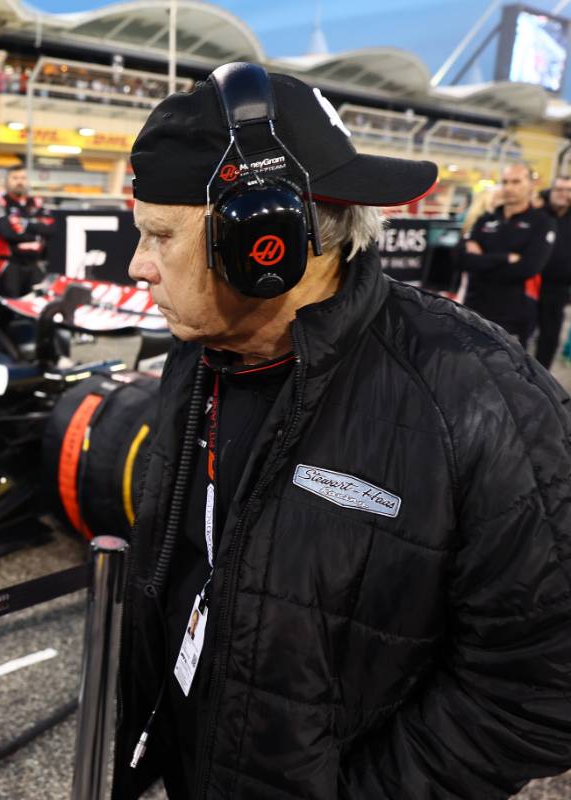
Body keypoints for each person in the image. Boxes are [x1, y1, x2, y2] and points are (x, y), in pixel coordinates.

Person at [114, 62, 571, 800]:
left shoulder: (482, 396)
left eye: (159, 236)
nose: (137, 266)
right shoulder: (193, 361)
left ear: (265, 243)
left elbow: (541, 688)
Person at [457, 163, 555, 345]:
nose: (509, 187)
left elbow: (528, 268)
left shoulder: (542, 223)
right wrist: (504, 258)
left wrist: (481, 262)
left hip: (513, 316)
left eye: (516, 182)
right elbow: (461, 259)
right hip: (473, 310)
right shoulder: (485, 219)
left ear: (531, 185)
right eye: (505, 182)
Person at [0, 165, 55, 298]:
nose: (19, 181)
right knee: (9, 306)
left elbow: (50, 229)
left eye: (23, 178)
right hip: (9, 265)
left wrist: (23, 225)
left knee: (37, 303)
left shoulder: (37, 203)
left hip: (35, 265)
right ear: (6, 181)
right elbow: (6, 232)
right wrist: (35, 232)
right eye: (15, 178)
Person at [537, 174, 571, 368]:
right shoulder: (538, 214)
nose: (563, 194)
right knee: (519, 334)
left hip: (558, 289)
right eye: (559, 189)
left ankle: (540, 377)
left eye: (568, 190)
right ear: (551, 191)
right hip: (530, 284)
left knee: (549, 337)